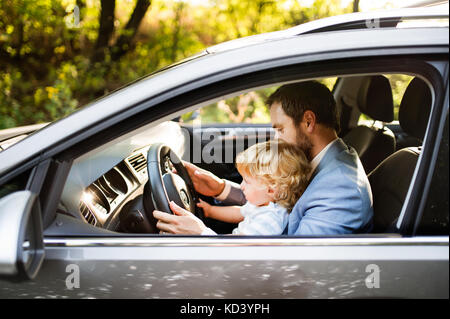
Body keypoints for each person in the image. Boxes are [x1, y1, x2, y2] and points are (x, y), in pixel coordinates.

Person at [153, 81, 374, 235]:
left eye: (280, 129)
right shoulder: (324, 163)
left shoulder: (341, 190)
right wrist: (220, 189)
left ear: (308, 122)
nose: (277, 139)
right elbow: (277, 200)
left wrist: (202, 235)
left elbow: (299, 267)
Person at [196, 140, 311, 235]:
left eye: (247, 181)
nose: (241, 186)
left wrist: (203, 233)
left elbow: (235, 247)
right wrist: (210, 211)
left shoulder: (269, 220)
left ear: (271, 190)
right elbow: (239, 213)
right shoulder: (263, 203)